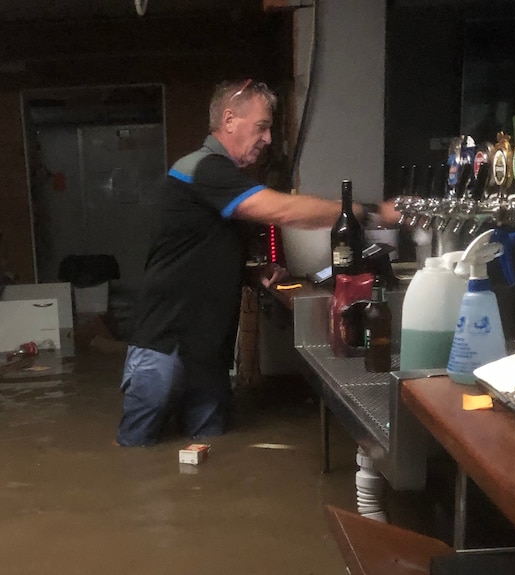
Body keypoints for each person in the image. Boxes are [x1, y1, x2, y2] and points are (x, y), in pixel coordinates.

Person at [116, 79, 401, 447]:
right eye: (262, 126)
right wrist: (372, 212)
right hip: (164, 345)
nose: (267, 139)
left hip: (208, 349)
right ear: (230, 120)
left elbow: (198, 248)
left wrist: (252, 270)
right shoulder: (202, 169)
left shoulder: (223, 178)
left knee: (211, 452)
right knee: (135, 452)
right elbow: (281, 210)